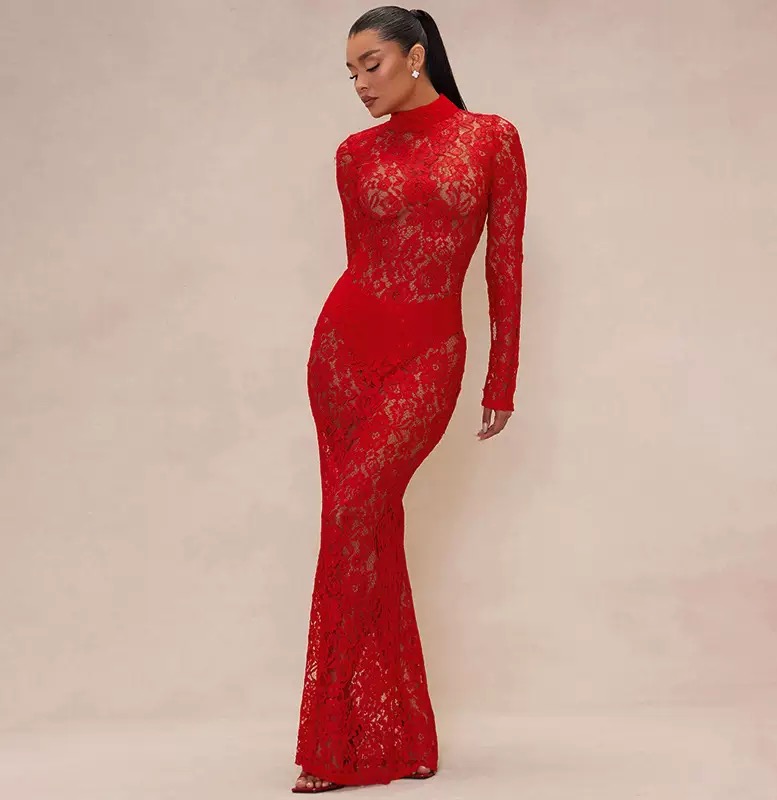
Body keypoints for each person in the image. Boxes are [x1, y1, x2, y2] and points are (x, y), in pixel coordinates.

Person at [292, 6, 527, 794]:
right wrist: (345, 352)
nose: (360, 84)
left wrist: (501, 377)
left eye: (372, 64)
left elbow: (503, 265)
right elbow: (361, 260)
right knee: (366, 529)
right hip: (343, 354)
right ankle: (399, 739)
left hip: (428, 357)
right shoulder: (354, 154)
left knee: (353, 517)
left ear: (416, 56)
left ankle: (333, 741)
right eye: (350, 72)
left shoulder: (491, 139)